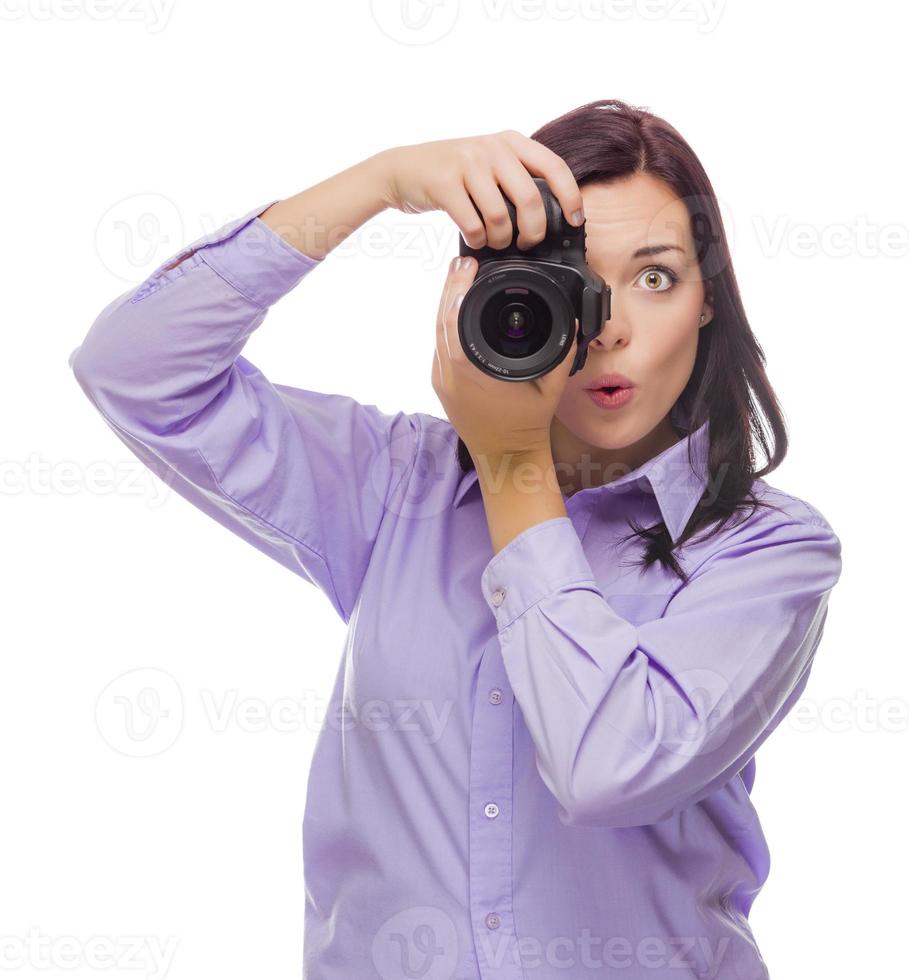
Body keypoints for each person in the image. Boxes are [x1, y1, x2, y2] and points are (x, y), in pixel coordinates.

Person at [69, 98, 843, 979]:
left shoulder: (769, 553)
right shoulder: (395, 484)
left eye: (655, 277)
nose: (612, 326)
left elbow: (608, 768)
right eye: (574, 280)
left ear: (709, 303)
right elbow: (131, 370)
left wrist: (513, 466)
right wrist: (378, 182)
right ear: (494, 298)